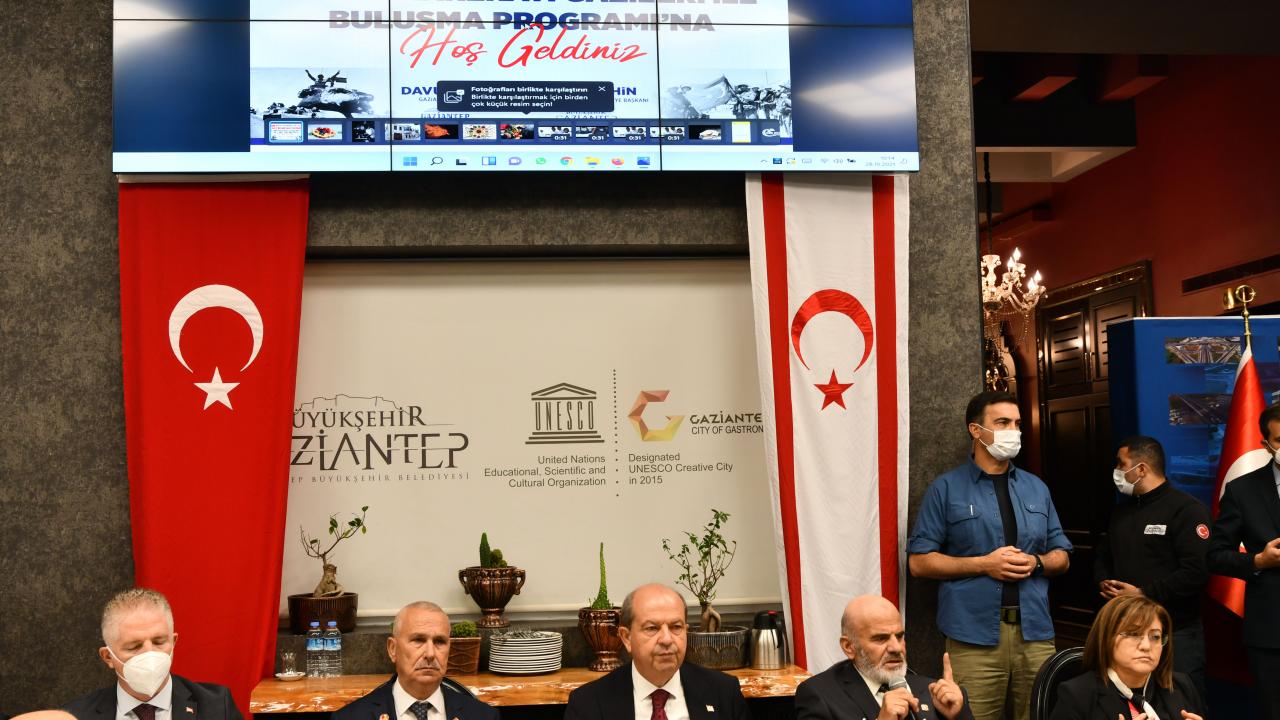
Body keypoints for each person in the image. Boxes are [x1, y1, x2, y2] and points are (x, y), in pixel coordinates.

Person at [906, 390, 1072, 720]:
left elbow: (1062, 555)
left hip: (1035, 635)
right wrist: (985, 564)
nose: (1014, 431)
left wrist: (1036, 562)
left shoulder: (1036, 487)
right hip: (973, 638)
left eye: (1017, 424)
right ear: (976, 430)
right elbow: (919, 562)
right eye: (1003, 422)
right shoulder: (946, 488)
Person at [1093, 435, 1210, 701]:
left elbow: (1196, 573)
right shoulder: (1121, 512)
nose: (1117, 471)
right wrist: (1103, 581)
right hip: (1124, 632)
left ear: (1142, 469)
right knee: (1129, 705)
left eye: (1121, 464)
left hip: (1176, 634)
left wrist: (1143, 594)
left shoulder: (1187, 510)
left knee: (1182, 704)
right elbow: (1102, 557)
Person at [563, 583, 750, 720]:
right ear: (626, 638)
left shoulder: (723, 693)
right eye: (652, 628)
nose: (667, 639)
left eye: (676, 627)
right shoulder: (589, 704)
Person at [63, 588, 242, 720]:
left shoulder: (217, 707)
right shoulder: (76, 715)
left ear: (174, 642)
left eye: (159, 642)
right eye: (134, 646)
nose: (149, 653)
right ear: (108, 657)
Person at [1208, 403, 1280, 720]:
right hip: (1271, 632)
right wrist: (1258, 561)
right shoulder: (1242, 490)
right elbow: (1215, 556)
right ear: (1266, 444)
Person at [794, 595, 972, 720]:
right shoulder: (821, 696)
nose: (896, 648)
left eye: (900, 636)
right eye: (881, 638)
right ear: (849, 647)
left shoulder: (934, 691)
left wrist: (958, 717)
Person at [333, 601, 497, 720]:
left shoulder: (484, 716)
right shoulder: (351, 717)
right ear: (392, 649)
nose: (430, 654)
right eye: (418, 640)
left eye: (439, 641)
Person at [1049, 595, 1203, 720]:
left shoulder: (1182, 685)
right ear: (1107, 639)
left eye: (1155, 637)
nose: (1146, 646)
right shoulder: (1077, 695)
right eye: (1133, 634)